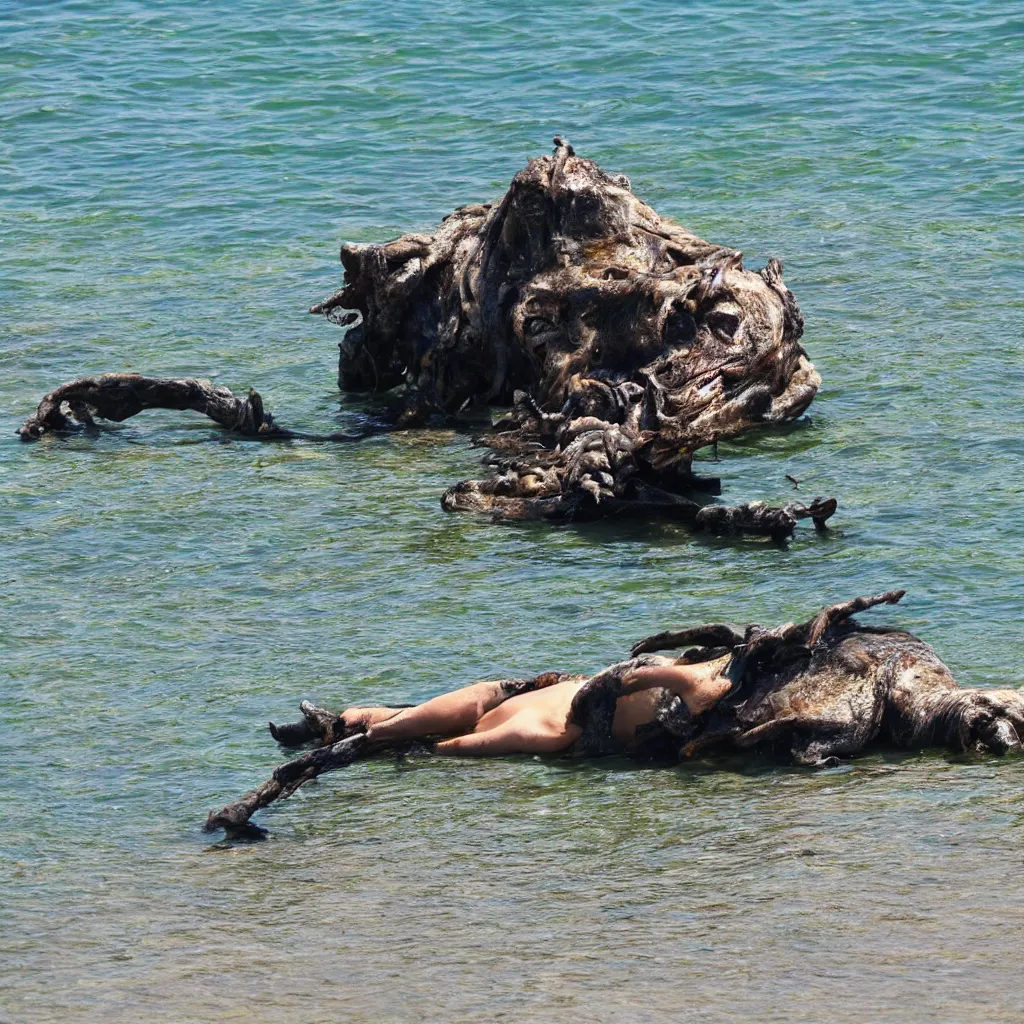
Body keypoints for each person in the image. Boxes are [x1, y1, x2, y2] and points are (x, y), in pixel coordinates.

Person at [338, 652, 734, 758]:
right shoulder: (553, 733)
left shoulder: (512, 706)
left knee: (422, 722)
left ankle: (370, 724)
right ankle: (373, 729)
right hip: (563, 711)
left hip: (557, 694)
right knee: (428, 736)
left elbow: (633, 677)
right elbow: (452, 745)